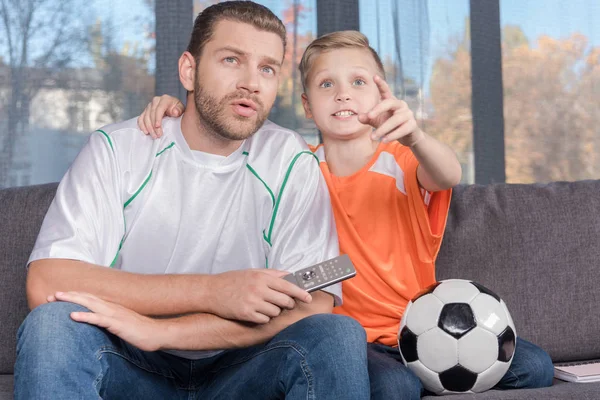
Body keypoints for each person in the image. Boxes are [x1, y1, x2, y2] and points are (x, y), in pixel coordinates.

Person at [140, 29, 555, 399]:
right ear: (307, 105)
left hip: (427, 326)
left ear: (381, 95)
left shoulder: (403, 161)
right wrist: (182, 107)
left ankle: (438, 374)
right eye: (326, 84)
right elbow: (228, 135)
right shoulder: (299, 168)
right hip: (349, 339)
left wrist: (416, 136)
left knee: (537, 368)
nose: (343, 94)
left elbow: (447, 173)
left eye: (358, 82)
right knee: (395, 387)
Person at [15, 3, 371, 399]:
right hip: (130, 361)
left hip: (242, 364)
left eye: (267, 68)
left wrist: (162, 329)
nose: (251, 82)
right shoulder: (118, 148)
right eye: (232, 60)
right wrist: (213, 292)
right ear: (189, 70)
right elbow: (47, 281)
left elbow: (314, 302)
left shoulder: (291, 159)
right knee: (51, 326)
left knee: (337, 333)